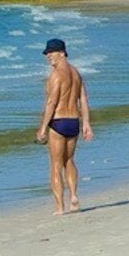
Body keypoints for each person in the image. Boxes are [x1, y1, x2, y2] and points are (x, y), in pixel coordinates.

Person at [37, 37, 93, 214]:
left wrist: (43, 128)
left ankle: (60, 207)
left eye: (51, 52)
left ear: (62, 53)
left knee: (56, 165)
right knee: (69, 160)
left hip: (58, 122)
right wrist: (86, 123)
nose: (48, 56)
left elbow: (51, 102)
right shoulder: (76, 73)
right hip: (73, 122)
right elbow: (83, 99)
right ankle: (74, 197)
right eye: (47, 53)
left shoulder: (56, 75)